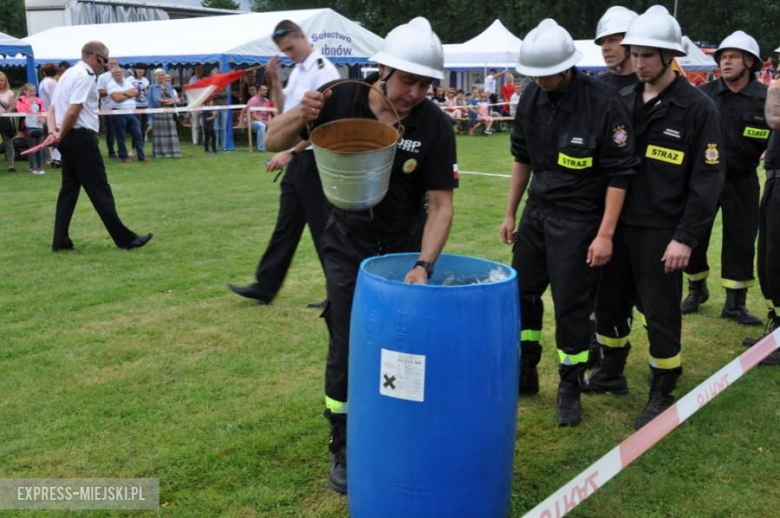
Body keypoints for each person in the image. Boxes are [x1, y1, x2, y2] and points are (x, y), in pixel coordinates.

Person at [265, 16, 457, 494]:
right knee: (348, 337)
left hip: (402, 244)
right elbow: (272, 141)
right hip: (345, 238)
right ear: (383, 70)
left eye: (425, 83)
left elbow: (441, 205)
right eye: (409, 80)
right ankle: (343, 441)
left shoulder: (434, 126)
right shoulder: (338, 97)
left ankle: (398, 425)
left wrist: (423, 264)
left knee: (404, 338)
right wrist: (298, 112)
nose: (415, 92)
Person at [591, 6, 724, 429]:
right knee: (609, 302)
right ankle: (612, 371)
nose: (640, 63)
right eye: (635, 54)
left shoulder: (697, 108)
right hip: (617, 226)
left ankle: (663, 387)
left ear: (670, 56)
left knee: (660, 311)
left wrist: (685, 238)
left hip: (662, 231)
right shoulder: (622, 99)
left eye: (649, 55)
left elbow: (708, 181)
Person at [500, 19, 638, 427]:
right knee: (522, 295)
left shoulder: (604, 103)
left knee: (571, 305)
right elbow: (522, 157)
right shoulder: (530, 98)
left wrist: (605, 234)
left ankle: (570, 384)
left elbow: (620, 174)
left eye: (546, 74)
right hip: (537, 213)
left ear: (566, 68)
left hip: (579, 220)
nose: (540, 81)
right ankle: (526, 369)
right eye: (534, 75)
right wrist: (511, 212)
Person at [227, 19, 340, 307]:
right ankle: (265, 286)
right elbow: (283, 114)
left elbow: (325, 125)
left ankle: (339, 293)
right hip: (299, 161)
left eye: (291, 47)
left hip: (316, 159)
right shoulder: (300, 70)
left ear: (303, 36)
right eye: (284, 51)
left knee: (323, 230)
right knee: (286, 226)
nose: (289, 54)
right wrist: (275, 80)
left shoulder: (323, 70)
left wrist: (292, 152)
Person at [680, 31, 769, 326]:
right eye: (723, 57)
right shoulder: (703, 94)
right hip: (702, 181)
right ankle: (695, 290)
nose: (725, 62)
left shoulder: (765, 99)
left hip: (742, 181)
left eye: (733, 57)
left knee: (741, 240)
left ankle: (735, 303)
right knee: (694, 236)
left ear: (749, 62)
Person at [46, 41, 152, 251]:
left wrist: (54, 132)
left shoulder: (67, 74)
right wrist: (60, 134)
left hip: (69, 139)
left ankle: (60, 241)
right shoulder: (84, 76)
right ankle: (126, 239)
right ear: (95, 57)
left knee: (69, 190)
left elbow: (52, 108)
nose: (105, 67)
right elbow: (73, 111)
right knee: (100, 190)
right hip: (81, 138)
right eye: (104, 62)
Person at [742, 76, 780, 364]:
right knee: (770, 260)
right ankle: (777, 328)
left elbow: (775, 117)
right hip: (774, 180)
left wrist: (775, 88)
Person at [107, 66, 149, 164]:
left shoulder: (127, 82)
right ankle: (123, 156)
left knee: (138, 134)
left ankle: (141, 155)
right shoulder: (110, 84)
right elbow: (116, 98)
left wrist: (123, 93)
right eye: (116, 73)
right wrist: (128, 94)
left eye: (120, 72)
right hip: (118, 113)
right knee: (121, 136)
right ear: (112, 75)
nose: (119, 74)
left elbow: (136, 92)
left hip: (131, 112)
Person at [594, 6, 639, 90]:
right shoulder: (595, 88)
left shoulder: (650, 87)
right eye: (602, 42)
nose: (605, 48)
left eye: (612, 40)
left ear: (631, 43)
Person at [148, 68, 181, 158]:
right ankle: (160, 153)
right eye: (159, 75)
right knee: (160, 135)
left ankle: (173, 153)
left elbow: (175, 99)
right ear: (155, 77)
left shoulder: (169, 86)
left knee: (171, 133)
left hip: (169, 113)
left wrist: (170, 101)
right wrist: (150, 119)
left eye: (162, 75)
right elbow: (154, 100)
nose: (161, 77)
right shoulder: (152, 87)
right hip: (158, 113)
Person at [16, 83, 46, 175]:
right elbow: (21, 111)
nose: (33, 93)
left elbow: (43, 111)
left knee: (39, 148)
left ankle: (40, 167)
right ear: (25, 91)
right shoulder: (21, 100)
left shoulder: (39, 101)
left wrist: (43, 118)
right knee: (32, 148)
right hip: (29, 127)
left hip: (39, 127)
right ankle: (32, 168)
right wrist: (28, 102)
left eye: (34, 91)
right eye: (30, 91)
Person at [39, 63, 62, 168]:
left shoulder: (43, 82)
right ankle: (57, 158)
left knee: (51, 134)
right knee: (56, 134)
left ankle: (54, 157)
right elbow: (55, 98)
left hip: (47, 111)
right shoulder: (52, 82)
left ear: (44, 72)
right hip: (53, 112)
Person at [239, 84, 274, 152]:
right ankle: (261, 148)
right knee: (261, 126)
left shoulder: (267, 101)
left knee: (274, 125)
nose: (266, 92)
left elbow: (269, 114)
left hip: (263, 120)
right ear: (259, 91)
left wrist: (270, 122)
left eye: (266, 90)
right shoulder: (253, 100)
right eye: (264, 90)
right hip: (251, 121)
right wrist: (264, 122)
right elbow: (253, 115)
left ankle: (271, 146)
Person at [97, 58, 120, 158]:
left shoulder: (121, 77)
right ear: (107, 65)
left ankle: (121, 150)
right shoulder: (102, 77)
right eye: (111, 63)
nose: (113, 65)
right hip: (107, 107)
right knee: (111, 130)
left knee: (120, 129)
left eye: (115, 63)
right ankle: (111, 151)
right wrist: (112, 91)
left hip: (120, 106)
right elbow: (100, 92)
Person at [208, 69, 229, 151]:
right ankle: (215, 146)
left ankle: (224, 147)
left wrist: (215, 94)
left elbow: (226, 94)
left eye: (217, 74)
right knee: (216, 127)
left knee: (223, 128)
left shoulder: (224, 83)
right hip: (214, 107)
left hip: (223, 107)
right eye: (214, 74)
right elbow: (210, 95)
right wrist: (218, 94)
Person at [0, 71, 16, 172]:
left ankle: (11, 164)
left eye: (1, 80)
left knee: (8, 142)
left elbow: (12, 106)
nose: (0, 82)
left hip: (5, 120)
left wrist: (5, 113)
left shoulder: (10, 93)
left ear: (5, 81)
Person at [130, 65, 150, 138]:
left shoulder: (146, 80)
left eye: (142, 69)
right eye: (139, 69)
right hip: (134, 106)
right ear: (135, 70)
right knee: (136, 127)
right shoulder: (129, 79)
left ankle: (141, 147)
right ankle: (134, 147)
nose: (140, 71)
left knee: (143, 127)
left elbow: (147, 93)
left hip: (144, 105)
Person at [188, 64, 204, 145]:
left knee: (204, 123)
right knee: (195, 124)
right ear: (195, 70)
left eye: (200, 69)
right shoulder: (192, 80)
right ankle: (195, 141)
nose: (199, 70)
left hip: (203, 103)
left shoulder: (204, 78)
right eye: (197, 69)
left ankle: (205, 140)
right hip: (195, 104)